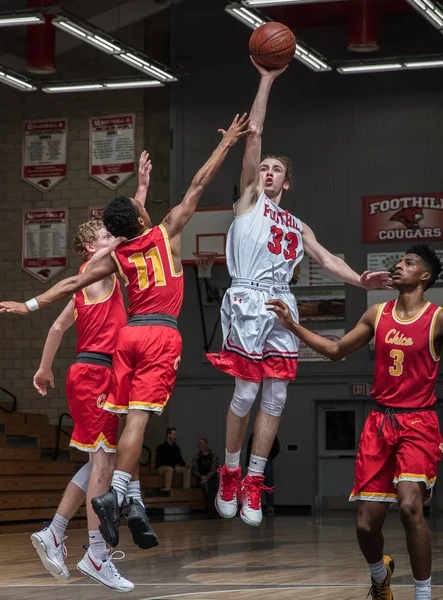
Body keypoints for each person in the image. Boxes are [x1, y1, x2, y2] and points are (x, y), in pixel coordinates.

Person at [0, 113, 251, 551]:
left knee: (124, 423)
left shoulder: (114, 260)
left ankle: (126, 497)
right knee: (138, 420)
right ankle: (117, 495)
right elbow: (198, 183)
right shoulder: (166, 232)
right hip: (158, 335)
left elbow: (68, 284)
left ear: (113, 233)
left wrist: (30, 304)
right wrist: (227, 142)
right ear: (138, 220)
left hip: (126, 340)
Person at [206, 58, 392, 527]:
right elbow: (255, 134)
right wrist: (266, 80)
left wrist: (361, 281)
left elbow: (328, 259)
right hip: (247, 298)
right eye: (262, 167)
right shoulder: (249, 203)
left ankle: (253, 478)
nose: (265, 172)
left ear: (286, 183)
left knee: (276, 399)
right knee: (246, 392)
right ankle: (228, 469)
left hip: (281, 302)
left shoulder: (296, 223)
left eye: (274, 171)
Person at [266, 243, 443, 600]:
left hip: (418, 423)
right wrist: (292, 325)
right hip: (379, 424)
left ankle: (424, 595)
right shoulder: (377, 314)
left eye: (408, 263)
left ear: (425, 276)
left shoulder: (437, 318)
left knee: (411, 506)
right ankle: (380, 576)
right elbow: (334, 351)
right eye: (397, 261)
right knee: (365, 525)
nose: (398, 266)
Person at [29, 156, 152, 592]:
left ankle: (56, 531)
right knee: (105, 463)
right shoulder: (98, 270)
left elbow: (60, 327)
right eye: (103, 236)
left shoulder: (88, 282)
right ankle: (96, 552)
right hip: (97, 373)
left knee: (104, 461)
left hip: (89, 372)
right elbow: (130, 231)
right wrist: (139, 193)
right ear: (90, 248)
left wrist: (44, 368)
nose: (111, 238)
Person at [246, 433, 279, 515]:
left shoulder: (272, 433)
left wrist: (270, 457)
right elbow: (249, 449)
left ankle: (269, 506)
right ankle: (255, 506)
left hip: (266, 460)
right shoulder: (254, 434)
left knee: (268, 483)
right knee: (255, 484)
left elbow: (277, 447)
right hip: (255, 461)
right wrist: (248, 462)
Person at [191, 438, 219, 507]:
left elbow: (214, 469)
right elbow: (194, 470)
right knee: (205, 486)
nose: (199, 446)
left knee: (215, 485)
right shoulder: (197, 457)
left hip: (211, 479)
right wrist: (201, 477)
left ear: (206, 445)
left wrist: (207, 477)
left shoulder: (213, 456)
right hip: (201, 479)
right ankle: (210, 506)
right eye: (199, 444)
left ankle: (216, 506)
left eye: (201, 444)